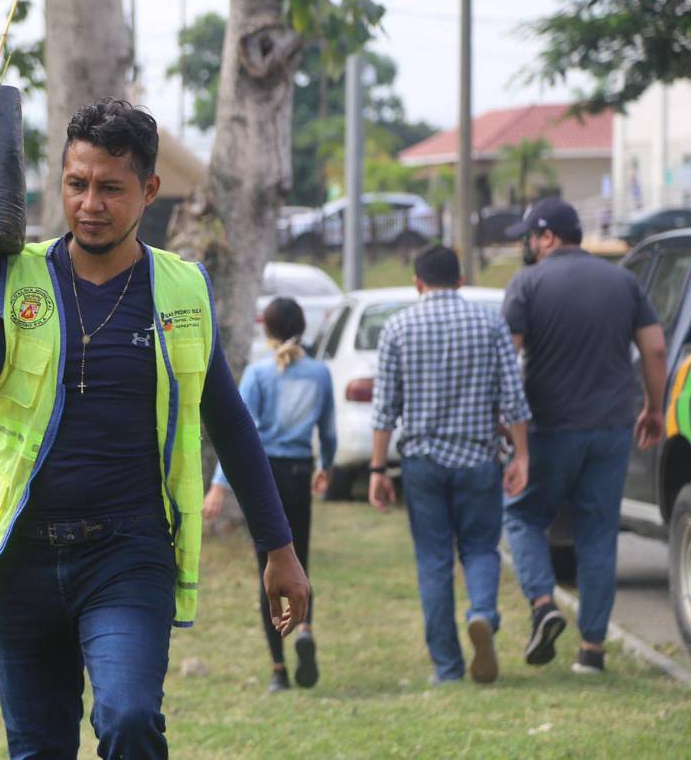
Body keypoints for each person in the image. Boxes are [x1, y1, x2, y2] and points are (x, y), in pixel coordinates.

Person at [0, 98, 310, 759]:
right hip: (24, 559)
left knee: (130, 718)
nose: (90, 203)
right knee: (39, 749)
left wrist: (278, 548)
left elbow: (230, 419)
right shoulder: (17, 273)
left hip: (127, 555)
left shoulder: (182, 289)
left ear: (149, 190)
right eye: (77, 184)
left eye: (111, 187)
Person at [501, 198, 666, 674]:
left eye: (529, 237)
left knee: (523, 517)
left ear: (547, 237)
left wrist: (508, 427)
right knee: (597, 536)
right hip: (612, 428)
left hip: (549, 429)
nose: (527, 247)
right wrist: (653, 409)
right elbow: (655, 350)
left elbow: (506, 359)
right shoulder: (623, 281)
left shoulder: (527, 284)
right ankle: (592, 651)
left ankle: (542, 605)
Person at [369, 246, 532, 685]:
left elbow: (385, 408)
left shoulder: (399, 326)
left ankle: (447, 667)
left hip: (422, 462)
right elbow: (513, 398)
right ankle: (481, 613)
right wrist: (522, 455)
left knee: (434, 560)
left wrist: (377, 470)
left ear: (417, 283)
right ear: (460, 281)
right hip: (479, 458)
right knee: (481, 547)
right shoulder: (490, 322)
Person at [203, 296, 336, 692]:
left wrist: (218, 486)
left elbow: (237, 435)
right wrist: (325, 467)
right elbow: (327, 431)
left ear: (266, 329)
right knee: (300, 560)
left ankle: (279, 670)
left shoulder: (259, 374)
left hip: (264, 480)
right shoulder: (320, 373)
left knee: (270, 567)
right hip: (298, 475)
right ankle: (306, 627)